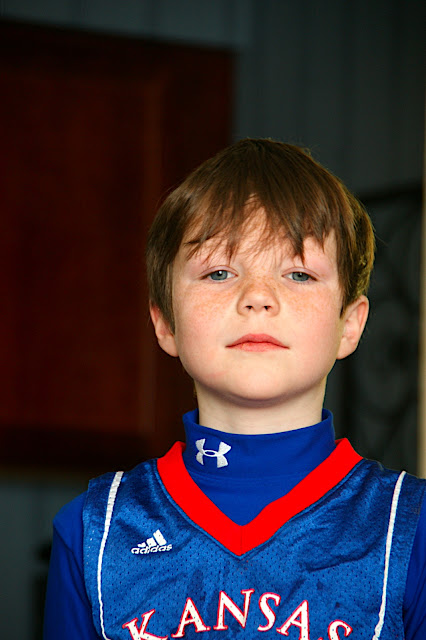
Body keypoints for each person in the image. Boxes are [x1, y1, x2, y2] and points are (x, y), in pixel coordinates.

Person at [43, 139, 425, 640]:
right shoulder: (93, 531)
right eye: (219, 272)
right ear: (165, 322)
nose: (258, 297)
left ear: (349, 325)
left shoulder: (411, 530)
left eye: (299, 273)